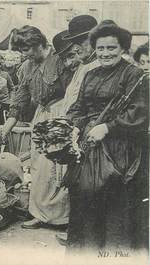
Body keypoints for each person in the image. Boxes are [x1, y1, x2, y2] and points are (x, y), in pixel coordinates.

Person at [66, 21, 149, 255]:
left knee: (115, 211)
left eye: (111, 48)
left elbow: (140, 113)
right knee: (86, 207)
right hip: (88, 148)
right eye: (100, 48)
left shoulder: (135, 75)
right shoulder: (90, 74)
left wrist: (108, 128)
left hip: (119, 151)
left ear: (122, 48)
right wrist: (74, 127)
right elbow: (77, 107)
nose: (105, 53)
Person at [3, 26, 70, 229]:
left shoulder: (59, 60)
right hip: (41, 116)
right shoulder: (27, 67)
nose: (26, 55)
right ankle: (39, 213)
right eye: (22, 51)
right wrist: (5, 129)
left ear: (40, 44)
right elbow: (20, 98)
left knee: (58, 167)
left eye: (28, 50)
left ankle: (62, 218)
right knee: (38, 165)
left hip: (61, 112)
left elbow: (73, 91)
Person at [61, 15, 100, 114]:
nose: (75, 48)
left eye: (81, 41)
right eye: (74, 42)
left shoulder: (100, 66)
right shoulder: (83, 65)